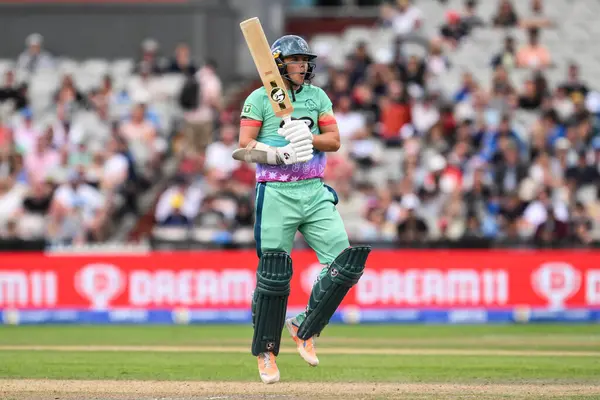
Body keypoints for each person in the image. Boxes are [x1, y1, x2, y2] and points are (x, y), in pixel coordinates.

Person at [233, 35, 371, 384]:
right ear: (278, 63)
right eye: (297, 61)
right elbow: (243, 147)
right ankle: (266, 353)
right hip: (275, 191)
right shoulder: (258, 98)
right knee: (274, 275)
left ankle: (303, 326)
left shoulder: (317, 96)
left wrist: (306, 139)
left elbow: (334, 141)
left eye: (306, 61)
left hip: (313, 189)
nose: (305, 67)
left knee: (345, 263)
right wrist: (276, 152)